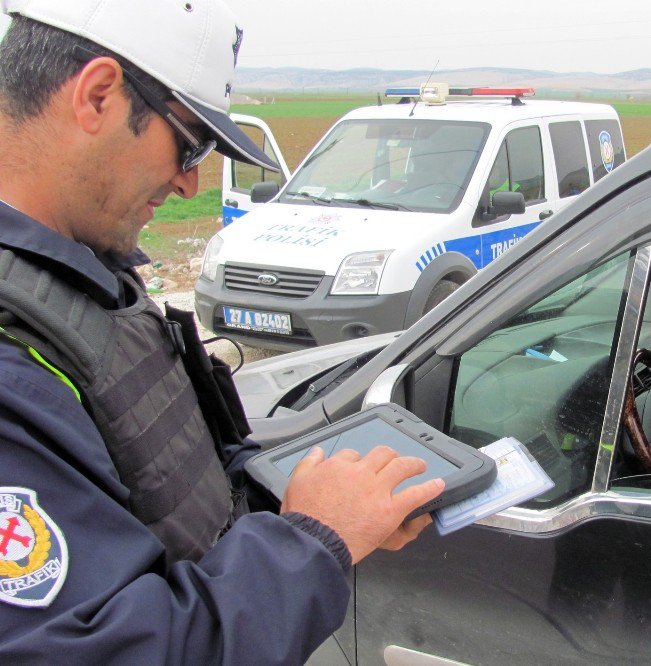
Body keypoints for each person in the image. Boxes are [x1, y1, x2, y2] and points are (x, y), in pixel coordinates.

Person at [0, 1, 442, 662]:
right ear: (96, 96)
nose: (190, 182)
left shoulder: (80, 278)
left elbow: (165, 479)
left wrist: (306, 497)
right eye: (191, 143)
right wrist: (312, 537)